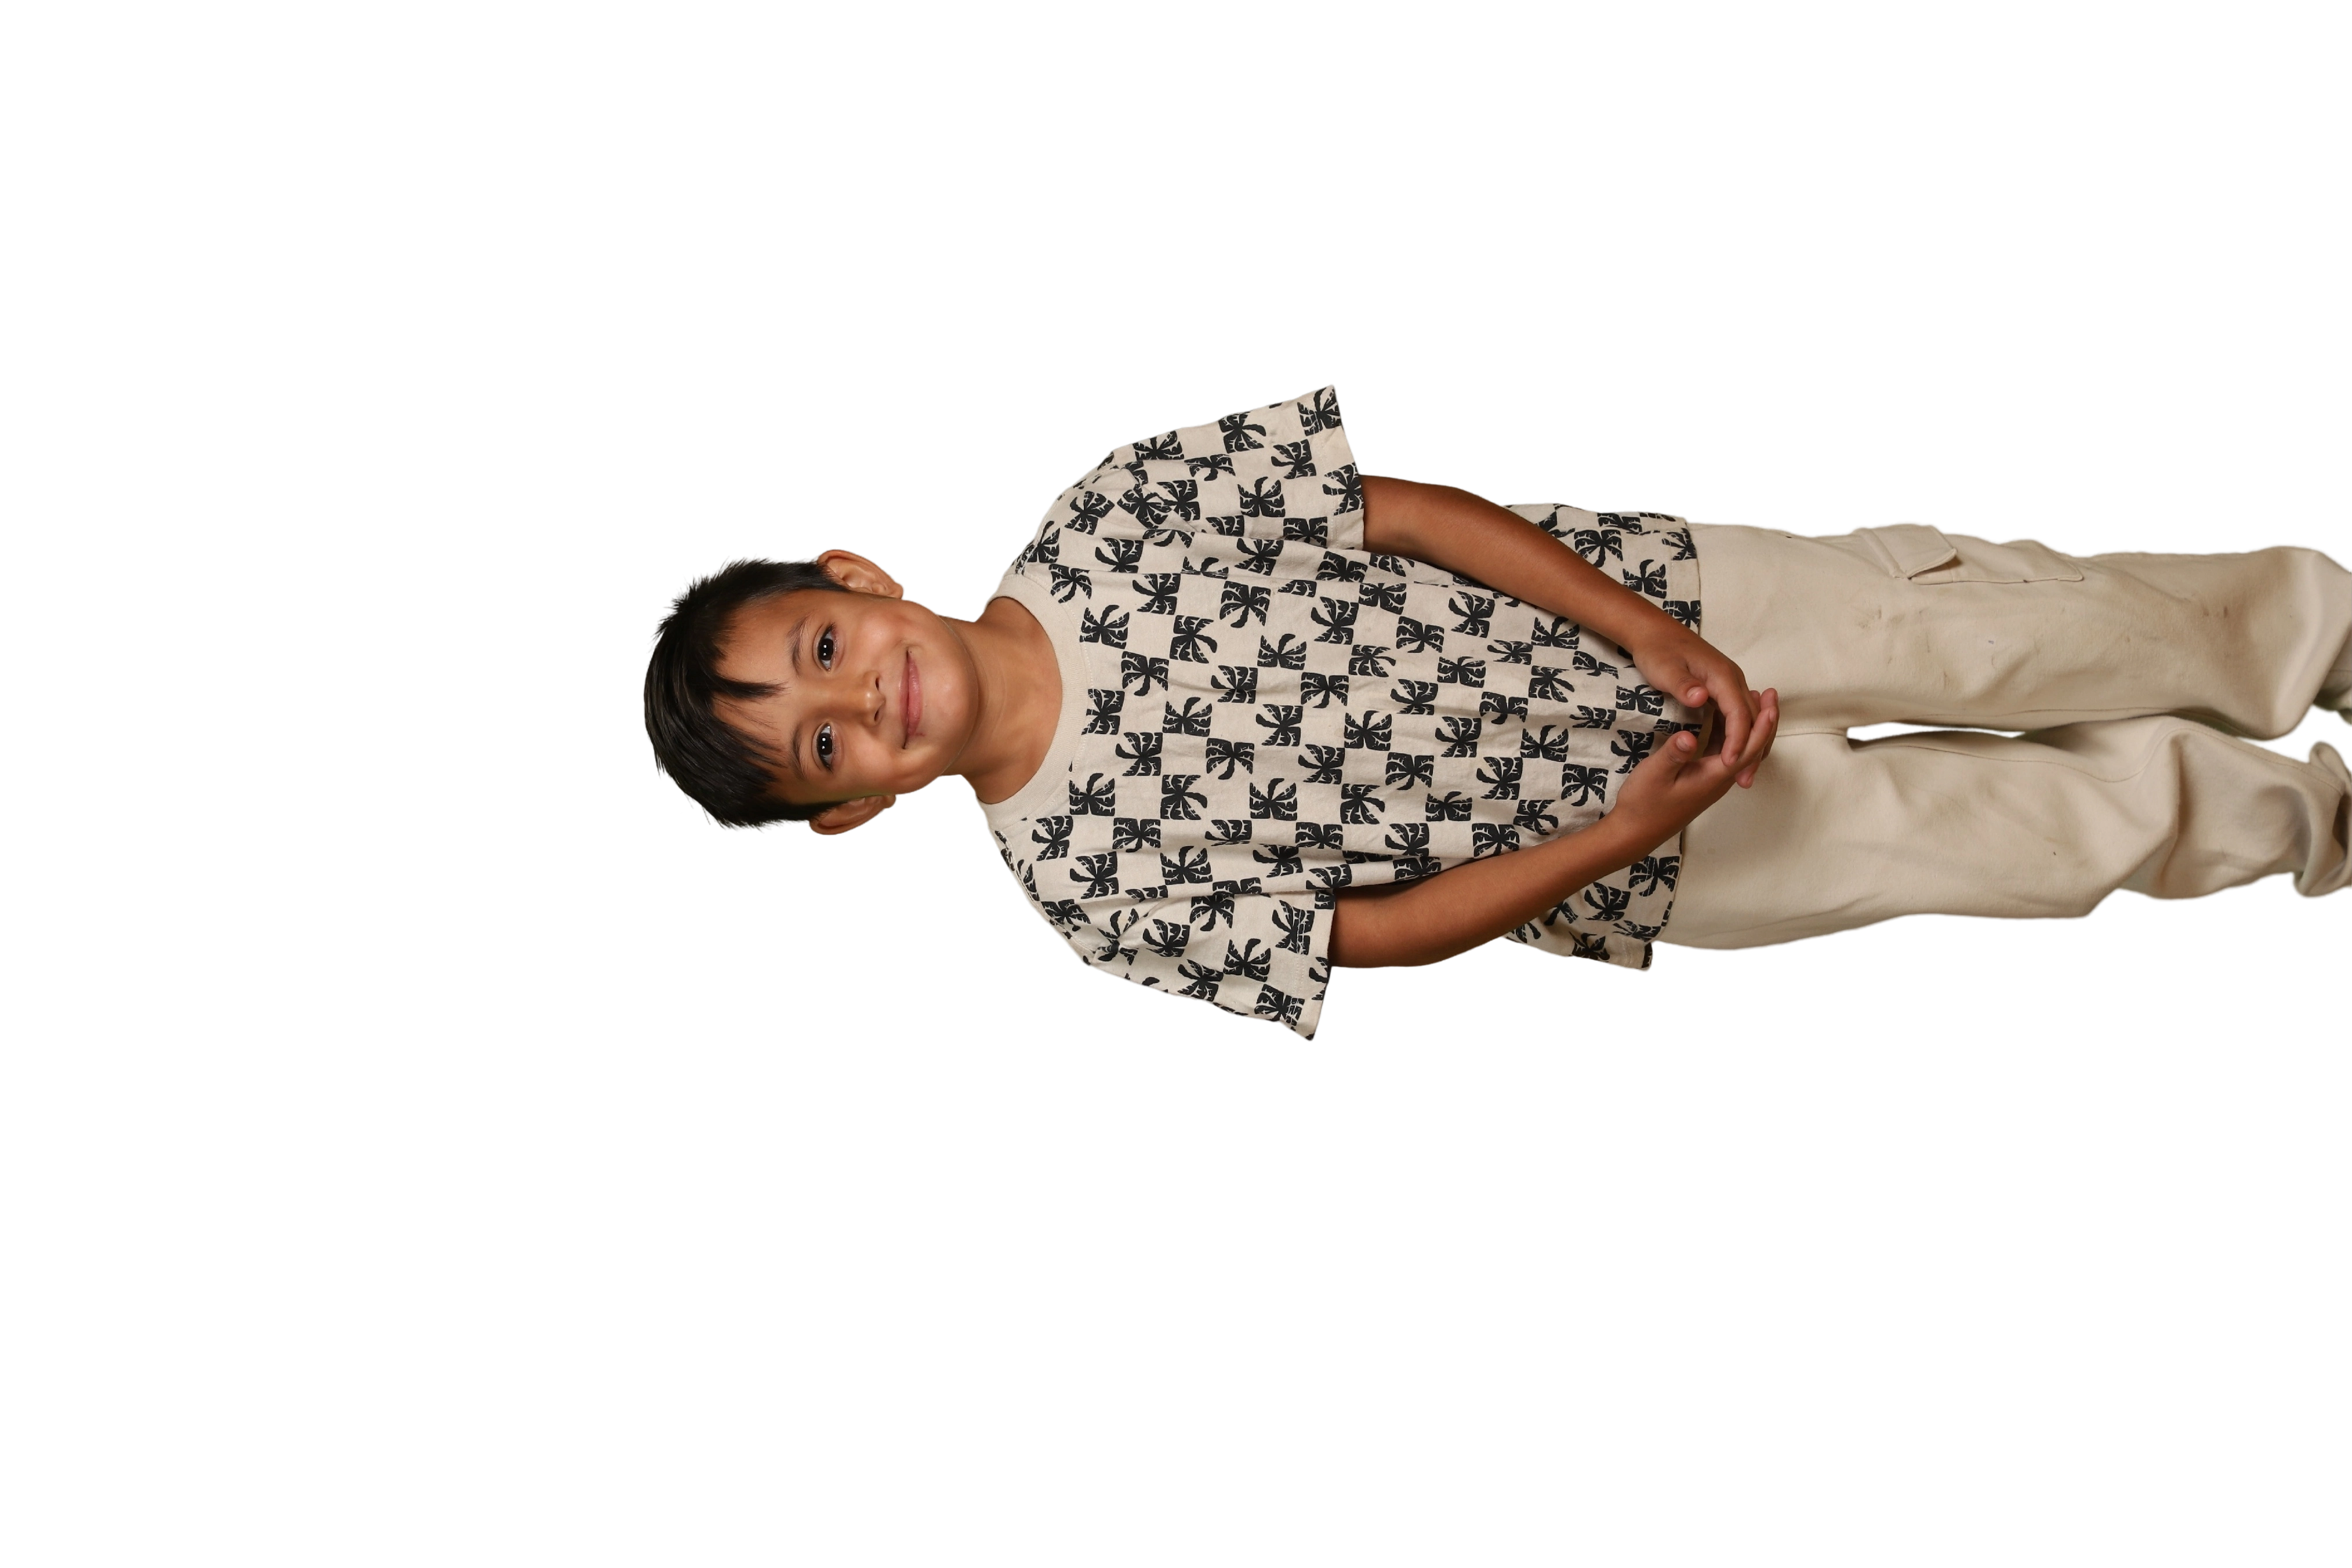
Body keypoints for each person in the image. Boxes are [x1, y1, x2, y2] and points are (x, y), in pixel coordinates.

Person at [641, 383, 2352, 1041]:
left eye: (820, 645)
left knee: (2021, 633)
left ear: (856, 576)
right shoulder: (1087, 893)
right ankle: (2309, 825)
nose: (861, 697)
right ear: (856, 810)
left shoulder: (1109, 515)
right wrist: (1619, 838)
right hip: (1663, 860)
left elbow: (1399, 513)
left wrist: (1639, 623)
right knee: (2023, 842)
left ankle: (2317, 636)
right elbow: (1373, 938)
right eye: (824, 744)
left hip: (1687, 606)